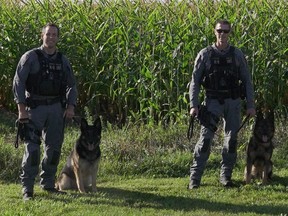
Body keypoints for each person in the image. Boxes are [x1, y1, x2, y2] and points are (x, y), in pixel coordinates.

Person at [13, 23, 78, 200]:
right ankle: (27, 189)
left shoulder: (63, 60)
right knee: (32, 150)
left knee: (53, 149)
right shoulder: (30, 57)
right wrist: (21, 109)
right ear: (42, 36)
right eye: (48, 34)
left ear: (58, 37)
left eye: (54, 34)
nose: (51, 37)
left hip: (56, 109)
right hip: (34, 109)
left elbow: (71, 85)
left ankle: (48, 184)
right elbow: (18, 83)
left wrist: (71, 106)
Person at [188, 19, 256, 189]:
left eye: (226, 31)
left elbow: (247, 81)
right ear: (214, 31)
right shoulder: (205, 54)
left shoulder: (237, 54)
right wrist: (193, 105)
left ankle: (226, 178)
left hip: (233, 103)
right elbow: (195, 81)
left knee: (231, 141)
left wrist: (250, 105)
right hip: (212, 103)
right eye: (220, 30)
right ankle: (194, 180)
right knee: (205, 140)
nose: (222, 34)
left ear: (230, 33)